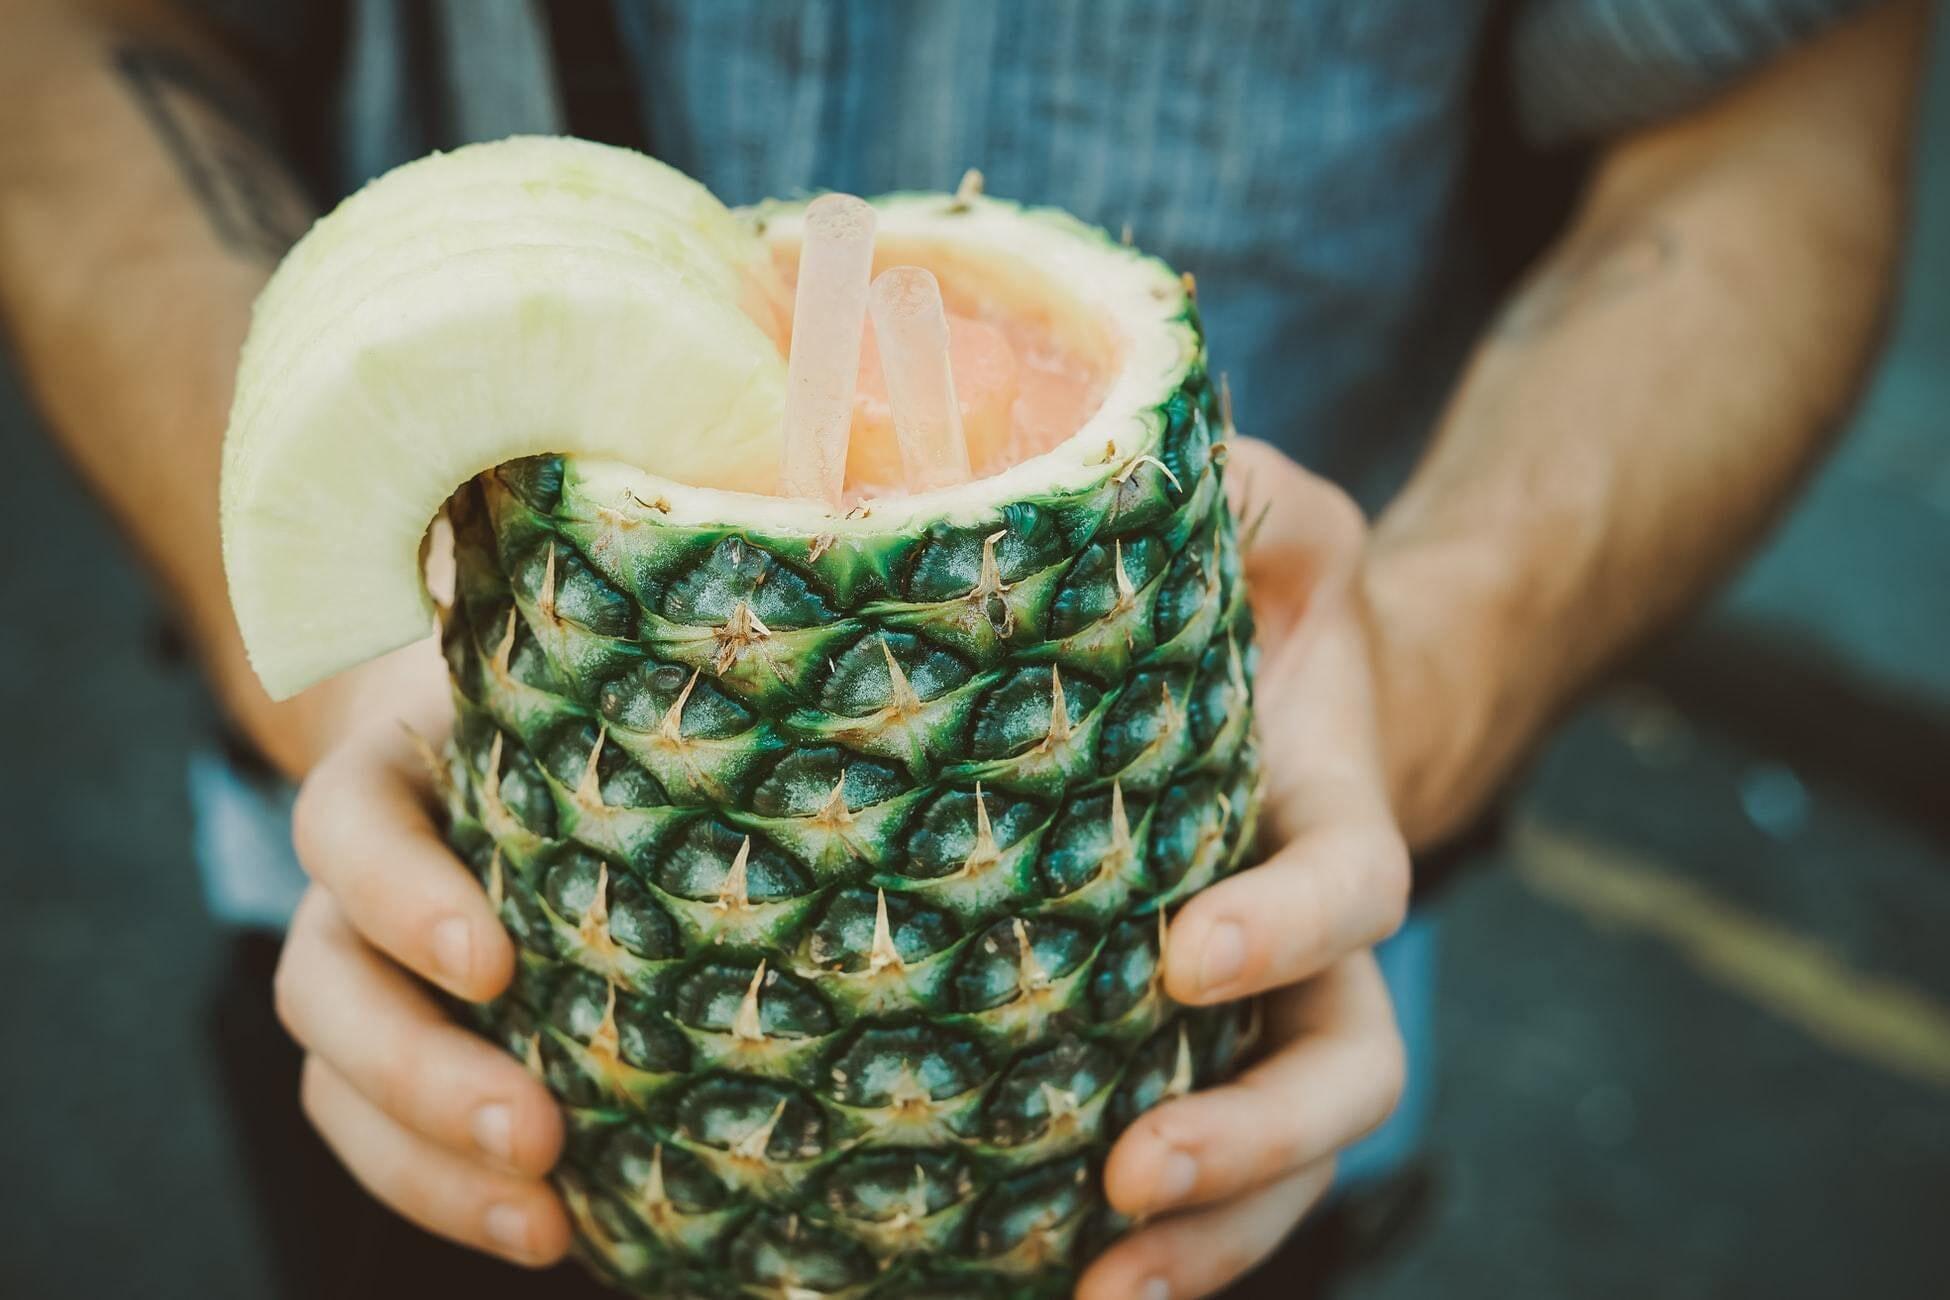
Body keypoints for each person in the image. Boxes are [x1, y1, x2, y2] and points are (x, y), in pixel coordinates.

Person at [0, 2, 1930, 1297]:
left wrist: (1407, 675)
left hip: (1243, 889)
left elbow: (1770, 107)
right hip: (430, 913)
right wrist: (349, 686)